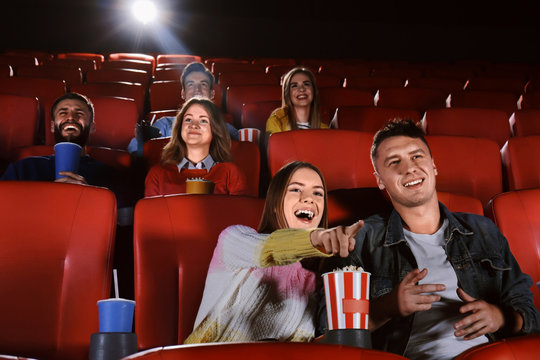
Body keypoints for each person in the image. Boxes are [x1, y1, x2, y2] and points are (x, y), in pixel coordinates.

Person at [318, 119, 540, 359]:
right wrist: (387, 308)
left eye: (417, 157)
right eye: (394, 162)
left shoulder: (483, 230)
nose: (409, 168)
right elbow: (329, 337)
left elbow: (528, 313)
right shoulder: (358, 240)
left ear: (433, 165)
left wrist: (500, 317)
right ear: (380, 179)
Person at [184, 161, 363, 343]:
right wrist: (317, 239)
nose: (309, 198)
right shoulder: (234, 240)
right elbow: (269, 249)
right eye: (295, 189)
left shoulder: (316, 281)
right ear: (276, 204)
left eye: (318, 193)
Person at [127, 62, 239, 155]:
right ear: (183, 93)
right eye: (191, 84)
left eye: (203, 84)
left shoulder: (227, 130)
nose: (197, 89)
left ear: (212, 94)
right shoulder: (164, 125)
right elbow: (135, 151)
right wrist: (145, 143)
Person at [144, 97, 247, 197]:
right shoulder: (158, 174)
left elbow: (239, 213)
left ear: (215, 130)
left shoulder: (231, 173)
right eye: (188, 119)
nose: (193, 125)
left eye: (203, 121)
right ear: (180, 128)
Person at [266, 67, 328, 135]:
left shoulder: (324, 129)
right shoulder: (276, 122)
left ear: (314, 91)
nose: (301, 89)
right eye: (294, 86)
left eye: (306, 84)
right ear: (287, 93)